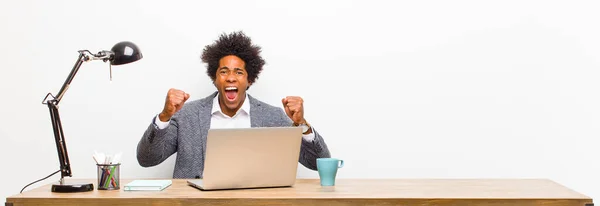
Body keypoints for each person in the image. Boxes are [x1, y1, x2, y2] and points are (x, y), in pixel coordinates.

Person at [136, 31, 331, 178]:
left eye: (238, 72)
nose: (230, 78)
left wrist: (302, 124)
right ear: (214, 78)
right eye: (224, 72)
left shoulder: (273, 117)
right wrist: (164, 117)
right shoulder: (187, 115)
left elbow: (318, 163)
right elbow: (147, 159)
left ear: (250, 80)